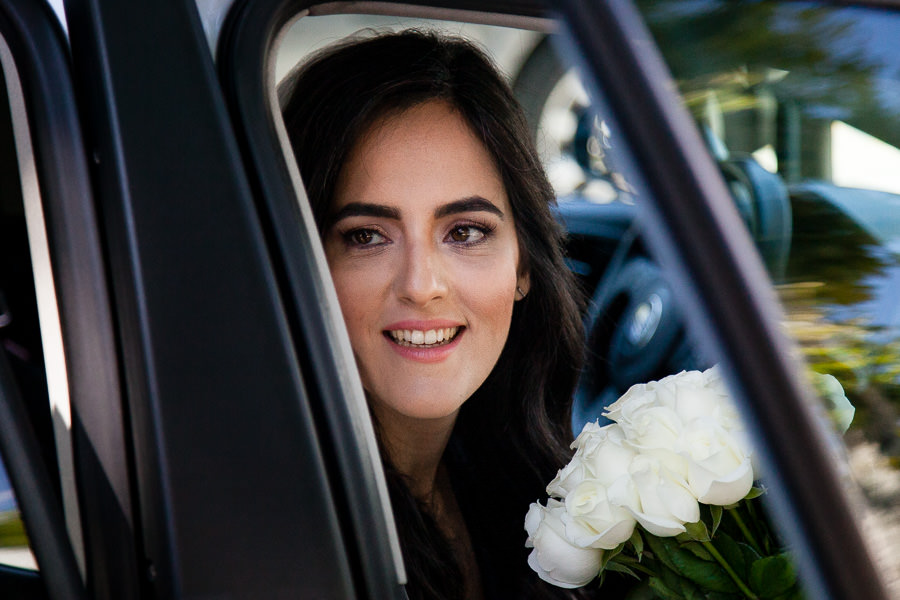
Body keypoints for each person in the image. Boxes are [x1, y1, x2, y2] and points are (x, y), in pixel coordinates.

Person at [280, 29, 592, 599]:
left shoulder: (505, 474)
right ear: (299, 259)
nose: (421, 286)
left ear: (523, 266)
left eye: (465, 232)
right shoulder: (288, 536)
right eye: (367, 236)